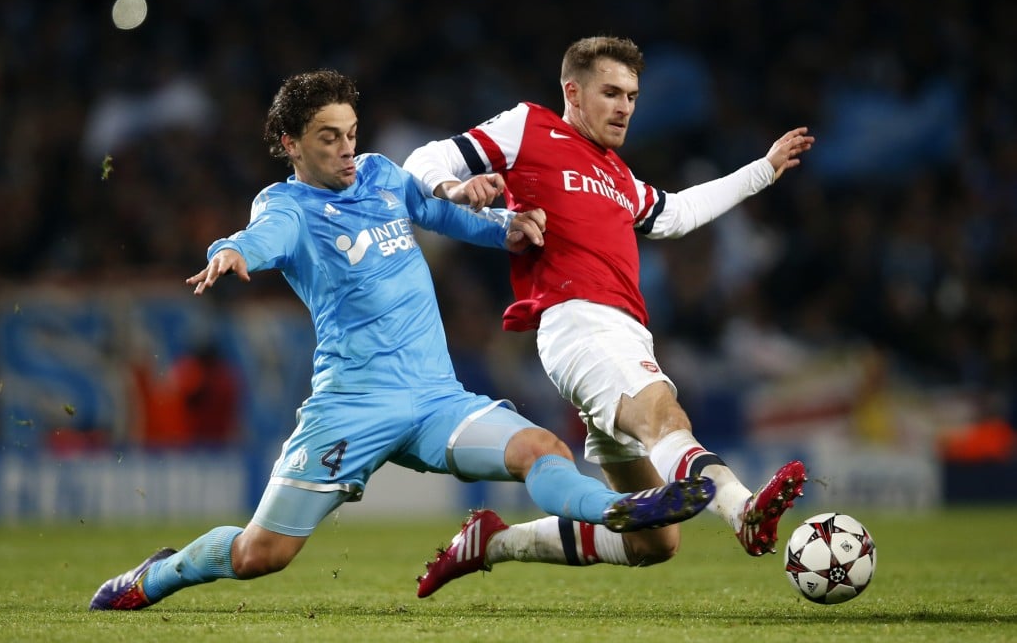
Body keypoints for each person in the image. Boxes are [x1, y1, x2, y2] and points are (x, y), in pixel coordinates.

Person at [88, 69, 716, 611]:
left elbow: (443, 214)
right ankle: (159, 573)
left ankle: (612, 511)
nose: (346, 150)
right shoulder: (289, 206)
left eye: (351, 134)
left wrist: (507, 227)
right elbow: (262, 235)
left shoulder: (382, 177)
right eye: (328, 138)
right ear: (290, 143)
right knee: (262, 553)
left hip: (434, 398)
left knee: (540, 447)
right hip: (352, 407)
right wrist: (230, 251)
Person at [403, 36, 814, 597]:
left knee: (654, 540)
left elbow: (678, 213)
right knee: (662, 413)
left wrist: (763, 170)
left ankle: (493, 542)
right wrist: (456, 187)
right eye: (612, 93)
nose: (625, 107)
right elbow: (423, 159)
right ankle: (743, 510)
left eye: (633, 96)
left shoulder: (617, 175)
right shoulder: (529, 127)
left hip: (624, 336)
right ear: (573, 91)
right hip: (578, 323)